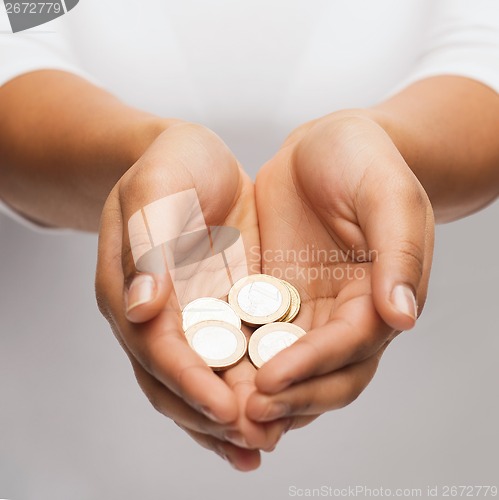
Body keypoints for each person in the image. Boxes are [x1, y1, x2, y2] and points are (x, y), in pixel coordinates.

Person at [0, 0, 498, 472]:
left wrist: (385, 152)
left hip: (422, 446)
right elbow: (14, 40)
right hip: (64, 445)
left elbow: (483, 47)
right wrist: (141, 159)